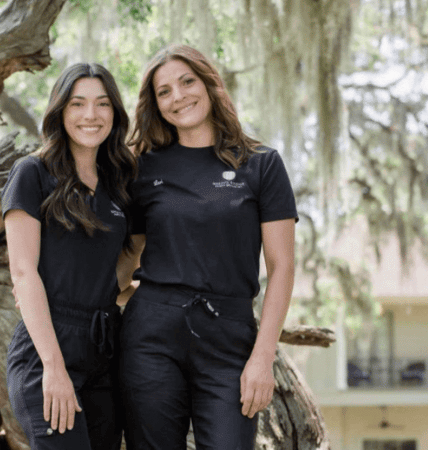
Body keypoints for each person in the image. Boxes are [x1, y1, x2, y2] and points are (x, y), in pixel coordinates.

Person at [117, 44, 298, 449]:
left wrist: (262, 357)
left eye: (186, 82)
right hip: (151, 336)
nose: (178, 96)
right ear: (156, 104)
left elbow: (282, 267)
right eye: (164, 92)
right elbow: (128, 252)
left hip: (229, 337)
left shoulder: (260, 164)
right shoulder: (143, 168)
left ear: (209, 84)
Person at [2, 62, 136, 450]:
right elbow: (24, 273)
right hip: (47, 351)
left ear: (115, 113)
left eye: (102, 104)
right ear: (60, 111)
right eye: (77, 104)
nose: (90, 115)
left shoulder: (119, 185)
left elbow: (118, 269)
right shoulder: (32, 173)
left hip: (104, 351)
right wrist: (53, 367)